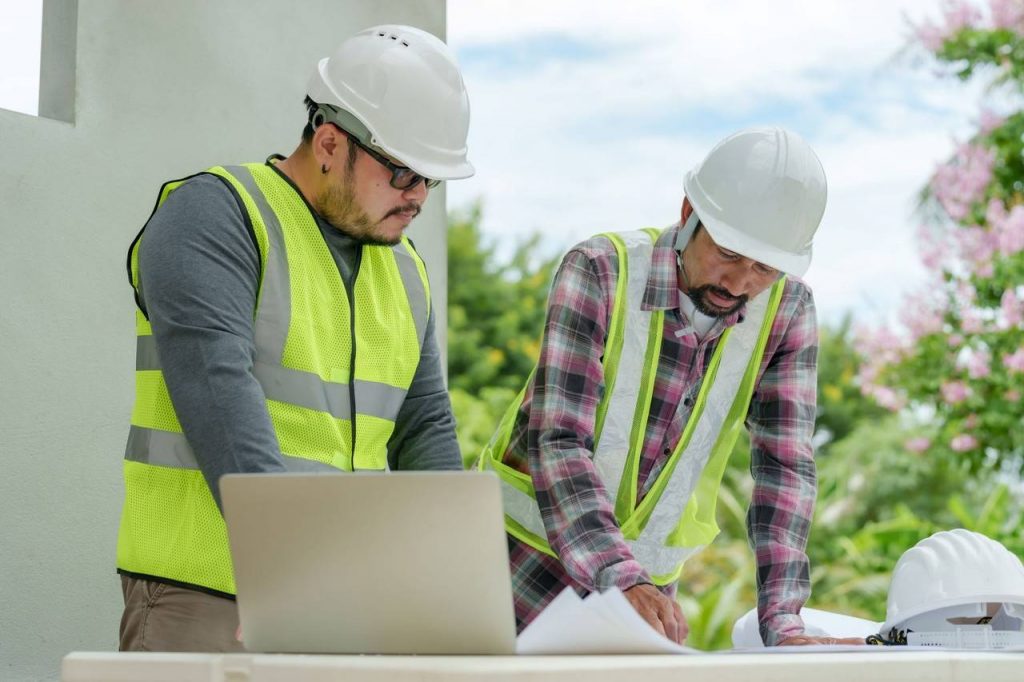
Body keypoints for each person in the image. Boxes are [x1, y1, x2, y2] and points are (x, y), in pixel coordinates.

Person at [116, 25, 472, 652]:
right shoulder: (216, 215)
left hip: (342, 604)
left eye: (431, 181)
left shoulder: (405, 269)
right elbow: (219, 392)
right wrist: (291, 578)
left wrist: (449, 588)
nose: (417, 198)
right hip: (207, 599)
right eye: (403, 173)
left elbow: (425, 430)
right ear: (330, 142)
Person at [479, 127, 863, 647]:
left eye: (764, 268)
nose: (738, 283)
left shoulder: (788, 310)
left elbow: (785, 468)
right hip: (521, 563)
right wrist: (622, 579)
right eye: (727, 253)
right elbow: (559, 439)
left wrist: (784, 624)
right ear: (688, 216)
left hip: (646, 594)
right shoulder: (600, 270)